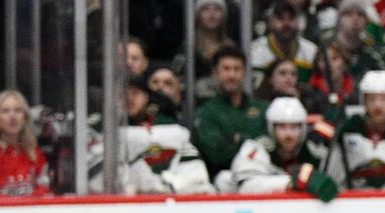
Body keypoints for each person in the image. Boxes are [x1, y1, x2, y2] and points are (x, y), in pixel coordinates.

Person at [89, 76, 213, 195]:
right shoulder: (100, 127)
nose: (129, 98)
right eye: (123, 93)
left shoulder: (167, 126)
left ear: (146, 97)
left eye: (135, 93)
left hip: (164, 193)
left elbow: (191, 166)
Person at [229, 96, 340, 200]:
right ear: (271, 128)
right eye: (282, 127)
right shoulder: (256, 148)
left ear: (303, 129)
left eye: (294, 127)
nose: (288, 134)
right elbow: (247, 187)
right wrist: (290, 183)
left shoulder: (315, 151)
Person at [194, 46, 268, 179]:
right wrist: (251, 141)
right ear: (215, 73)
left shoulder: (262, 108)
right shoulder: (206, 112)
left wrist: (235, 139)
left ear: (245, 72)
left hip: (263, 175)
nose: (232, 75)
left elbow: (273, 146)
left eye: (237, 69)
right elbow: (216, 155)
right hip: (223, 181)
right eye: (226, 69)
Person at [249, 2, 319, 88]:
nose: (286, 24)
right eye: (280, 18)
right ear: (271, 23)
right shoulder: (255, 51)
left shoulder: (311, 51)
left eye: (291, 18)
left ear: (299, 23)